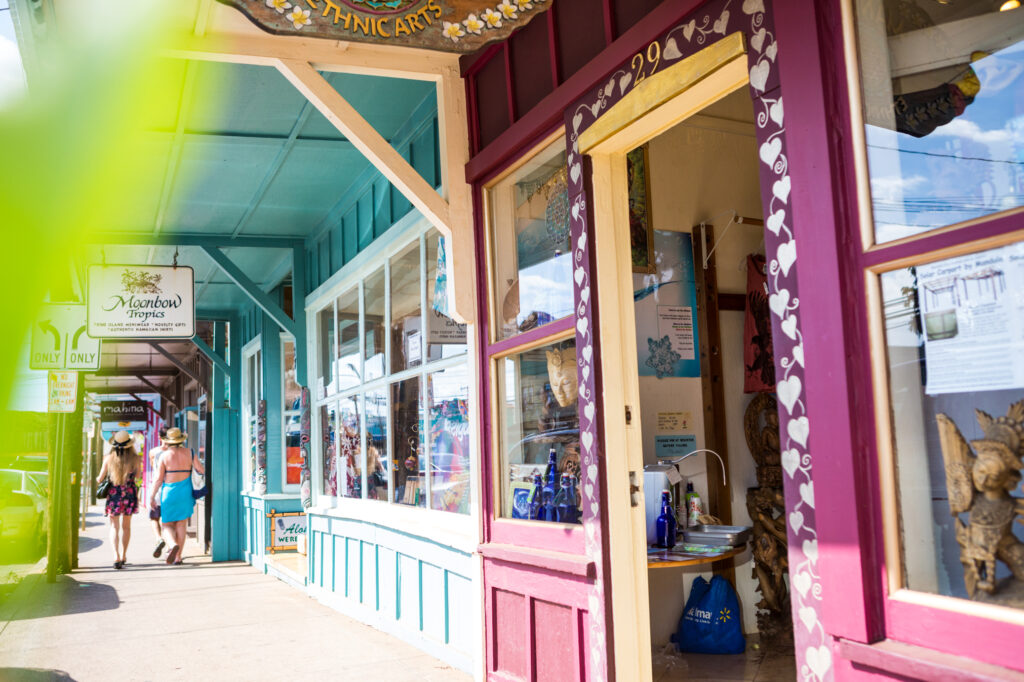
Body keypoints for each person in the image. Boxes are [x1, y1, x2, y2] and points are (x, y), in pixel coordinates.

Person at [148, 427, 202, 565]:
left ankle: (172, 545)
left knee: (166, 525)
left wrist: (152, 496)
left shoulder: (163, 456)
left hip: (169, 492)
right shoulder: (190, 453)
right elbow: (201, 470)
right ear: (180, 440)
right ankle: (178, 557)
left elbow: (158, 479)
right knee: (181, 524)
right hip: (185, 492)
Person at [96, 430, 142, 569]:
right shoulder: (135, 459)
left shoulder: (109, 459)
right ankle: (123, 555)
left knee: (114, 527)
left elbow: (99, 479)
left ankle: (116, 556)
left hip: (114, 494)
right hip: (129, 493)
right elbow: (139, 477)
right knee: (126, 527)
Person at [147, 427, 169, 558]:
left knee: (154, 518)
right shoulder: (174, 452)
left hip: (156, 488)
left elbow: (154, 469)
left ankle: (159, 538)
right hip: (170, 487)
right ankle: (168, 545)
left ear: (159, 437)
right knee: (166, 519)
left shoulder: (153, 452)